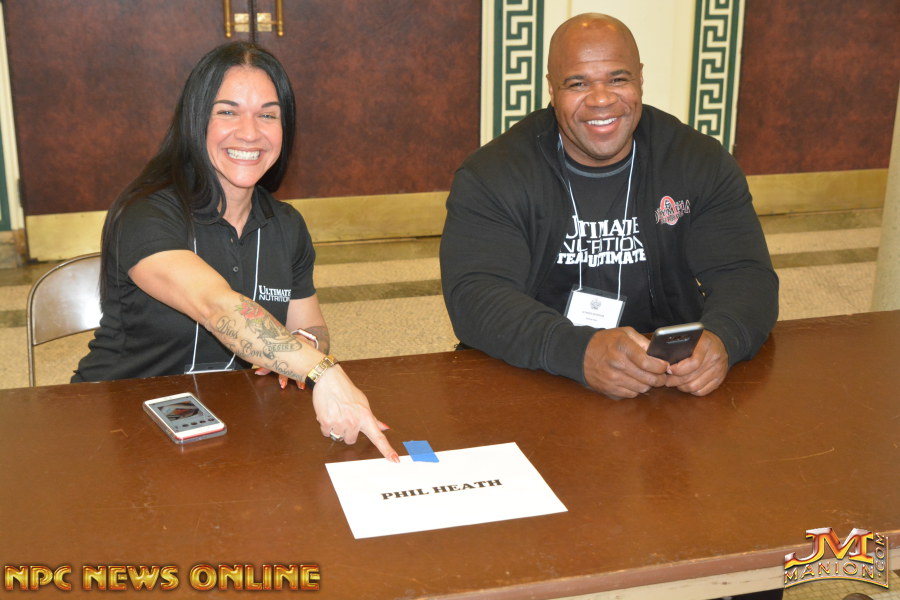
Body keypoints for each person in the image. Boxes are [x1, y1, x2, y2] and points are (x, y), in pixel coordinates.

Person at [72, 42, 398, 462]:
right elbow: (217, 307)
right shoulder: (147, 213)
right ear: (196, 120)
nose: (249, 132)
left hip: (228, 422)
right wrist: (323, 370)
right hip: (118, 425)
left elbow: (311, 327)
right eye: (227, 112)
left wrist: (298, 346)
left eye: (268, 115)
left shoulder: (287, 225)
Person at [440, 13, 779, 400]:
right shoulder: (494, 175)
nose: (601, 100)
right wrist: (577, 351)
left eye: (618, 80)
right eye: (578, 83)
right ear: (551, 88)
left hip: (668, 380)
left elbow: (746, 274)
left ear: (640, 79)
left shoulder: (697, 161)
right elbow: (476, 295)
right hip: (536, 374)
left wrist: (723, 338)